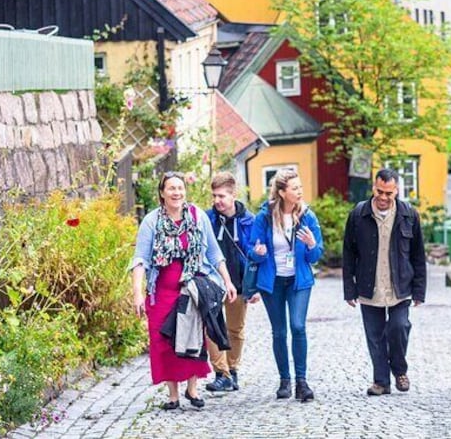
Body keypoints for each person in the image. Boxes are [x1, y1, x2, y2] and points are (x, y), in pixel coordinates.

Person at [130, 171, 237, 410]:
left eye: (180, 188)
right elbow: (140, 259)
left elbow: (214, 254)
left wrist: (227, 281)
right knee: (163, 342)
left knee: (192, 339)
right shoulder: (151, 221)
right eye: (171, 188)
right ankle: (172, 394)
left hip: (191, 289)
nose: (177, 192)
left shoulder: (198, 217)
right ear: (162, 193)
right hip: (162, 291)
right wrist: (138, 291)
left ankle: (192, 388)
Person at [342, 168, 426, 396]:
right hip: (369, 285)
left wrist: (419, 291)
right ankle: (381, 381)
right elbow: (348, 253)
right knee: (375, 335)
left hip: (400, 286)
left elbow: (418, 255)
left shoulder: (409, 214)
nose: (383, 197)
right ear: (374, 187)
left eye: (389, 193)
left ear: (396, 191)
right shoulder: (358, 215)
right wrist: (349, 289)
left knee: (399, 327)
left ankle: (399, 370)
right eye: (380, 191)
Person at [249, 168, 324, 402]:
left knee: (298, 326)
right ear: (282, 192)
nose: (300, 191)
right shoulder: (265, 216)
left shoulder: (308, 216)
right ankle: (285, 380)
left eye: (300, 187)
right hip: (273, 282)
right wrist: (259, 252)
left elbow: (316, 255)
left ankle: (302, 382)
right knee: (279, 331)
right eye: (294, 188)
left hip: (298, 280)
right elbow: (253, 248)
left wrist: (312, 245)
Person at [204, 172, 256, 392]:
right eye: (214, 196)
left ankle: (233, 370)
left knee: (235, 329)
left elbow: (255, 254)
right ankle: (221, 373)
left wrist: (255, 287)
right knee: (212, 329)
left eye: (222, 196)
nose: (217, 201)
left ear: (233, 195)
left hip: (240, 282)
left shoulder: (249, 221)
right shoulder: (207, 219)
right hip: (213, 283)